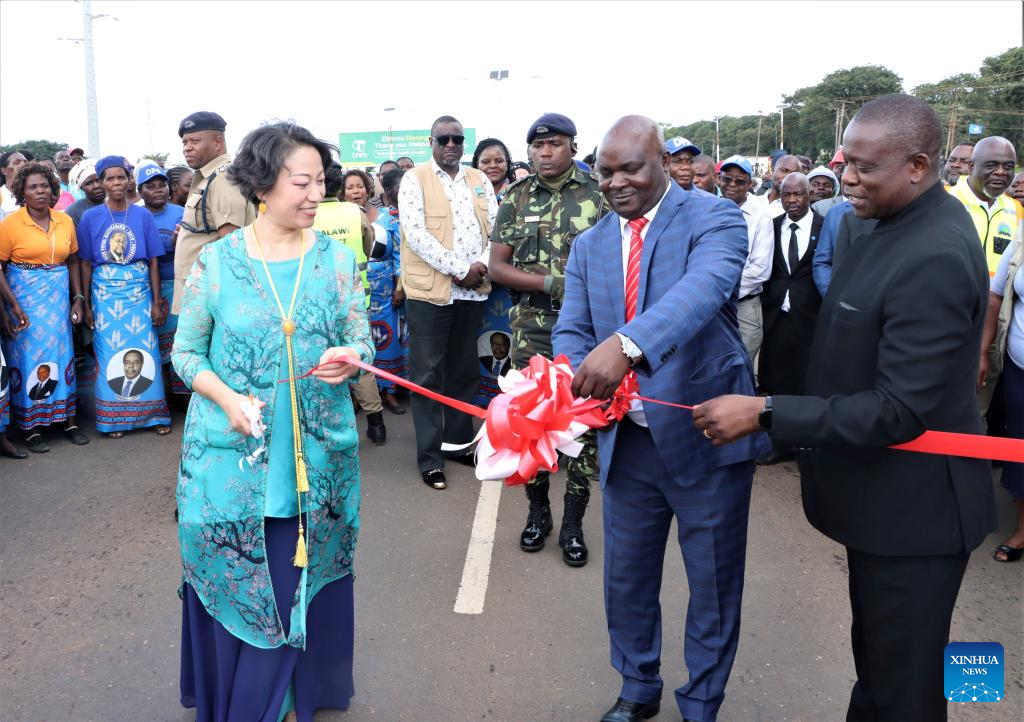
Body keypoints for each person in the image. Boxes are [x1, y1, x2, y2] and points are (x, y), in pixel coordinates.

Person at [694, 94, 995, 722]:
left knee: (905, 689)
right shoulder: (887, 222)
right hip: (885, 507)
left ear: (918, 165)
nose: (846, 179)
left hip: (916, 518)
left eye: (862, 167)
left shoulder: (934, 252)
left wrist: (767, 410)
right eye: (844, 162)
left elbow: (896, 411)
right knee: (881, 669)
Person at [553, 116, 766, 722]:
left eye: (631, 169)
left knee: (714, 586)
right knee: (627, 580)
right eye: (606, 172)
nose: (617, 182)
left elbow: (703, 290)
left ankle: (701, 703)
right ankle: (637, 686)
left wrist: (626, 345)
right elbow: (572, 326)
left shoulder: (714, 217)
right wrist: (574, 376)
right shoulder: (590, 244)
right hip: (628, 443)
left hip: (706, 436)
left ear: (662, 161)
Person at [173, 121, 370, 721]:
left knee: (299, 576)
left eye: (321, 182)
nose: (317, 195)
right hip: (231, 462)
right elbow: (186, 353)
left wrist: (351, 360)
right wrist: (226, 398)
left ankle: (293, 696)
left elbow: (358, 338)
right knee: (242, 579)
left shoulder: (336, 260)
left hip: (318, 457)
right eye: (302, 183)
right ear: (262, 185)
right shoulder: (217, 262)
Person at [489, 112, 606, 566]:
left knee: (583, 424)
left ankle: (574, 522)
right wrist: (551, 284)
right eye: (538, 146)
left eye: (554, 144)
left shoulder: (599, 194)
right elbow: (498, 267)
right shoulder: (516, 198)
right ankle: (539, 513)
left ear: (573, 147)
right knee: (528, 423)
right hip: (532, 328)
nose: (544, 152)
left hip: (588, 330)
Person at [397, 115, 497, 491]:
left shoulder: (479, 180)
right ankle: (430, 457)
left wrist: (483, 264)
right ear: (432, 142)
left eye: (457, 139)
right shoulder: (415, 179)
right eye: (444, 139)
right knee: (427, 376)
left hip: (472, 290)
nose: (451, 145)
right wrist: (459, 269)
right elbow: (416, 234)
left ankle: (457, 444)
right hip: (431, 294)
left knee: (463, 371)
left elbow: (498, 226)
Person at [77, 155, 171, 438]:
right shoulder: (90, 217)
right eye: (109, 178)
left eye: (121, 177)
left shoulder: (142, 215)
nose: (116, 183)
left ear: (129, 180)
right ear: (101, 182)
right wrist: (87, 302)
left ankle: (154, 415)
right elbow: (83, 263)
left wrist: (155, 301)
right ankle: (114, 419)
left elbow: (154, 260)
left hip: (139, 293)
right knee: (109, 356)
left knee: (147, 352)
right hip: (104, 295)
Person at [0, 162, 90, 451]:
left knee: (63, 357)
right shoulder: (10, 225)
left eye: (45, 186)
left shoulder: (65, 221)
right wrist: (12, 306)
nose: (40, 191)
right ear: (21, 192)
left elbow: (73, 260)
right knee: (28, 361)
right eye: (33, 187)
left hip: (57, 302)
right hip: (24, 303)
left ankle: (69, 421)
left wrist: (78, 298)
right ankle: (32, 428)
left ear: (53, 190)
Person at [758, 173, 823, 464]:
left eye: (798, 194)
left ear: (809, 194)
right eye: (787, 195)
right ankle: (780, 444)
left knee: (809, 380)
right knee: (776, 381)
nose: (793, 200)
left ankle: (807, 444)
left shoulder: (825, 227)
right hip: (776, 317)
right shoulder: (771, 227)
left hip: (812, 317)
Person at [171, 111, 256, 314]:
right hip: (199, 287)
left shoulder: (222, 179)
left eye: (195, 141)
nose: (187, 148)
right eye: (185, 142)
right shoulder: (207, 177)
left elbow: (232, 242)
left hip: (212, 292)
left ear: (218, 142)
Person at [979, 229, 1024, 563]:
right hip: (1017, 370)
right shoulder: (1021, 240)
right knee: (1019, 445)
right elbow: (996, 298)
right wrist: (983, 352)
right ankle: (1023, 530)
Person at [339, 168, 389, 443]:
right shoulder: (355, 215)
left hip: (317, 303)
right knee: (359, 362)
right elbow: (370, 248)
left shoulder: (305, 214)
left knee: (325, 363)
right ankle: (376, 425)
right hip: (357, 299)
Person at [136, 162, 187, 401]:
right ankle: (162, 397)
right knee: (157, 344)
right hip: (147, 288)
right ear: (139, 191)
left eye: (162, 185)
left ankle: (182, 396)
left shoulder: (180, 212)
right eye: (151, 186)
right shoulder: (135, 215)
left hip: (177, 284)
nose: (158, 190)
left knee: (180, 342)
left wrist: (181, 243)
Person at [719, 155, 774, 362]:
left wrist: (721, 290)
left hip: (743, 305)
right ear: (719, 179)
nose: (732, 185)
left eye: (740, 181)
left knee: (742, 366)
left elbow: (760, 269)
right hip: (712, 305)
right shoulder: (709, 210)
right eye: (727, 179)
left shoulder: (761, 216)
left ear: (750, 184)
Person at [947, 135, 1022, 277]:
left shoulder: (1017, 210)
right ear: (971, 167)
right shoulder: (943, 202)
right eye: (991, 165)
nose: (1001, 172)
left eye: (1008, 166)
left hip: (998, 298)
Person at [370, 168, 409, 413]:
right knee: (385, 339)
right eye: (399, 187)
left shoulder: (411, 215)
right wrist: (397, 288)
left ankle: (397, 388)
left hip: (404, 287)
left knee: (402, 339)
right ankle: (385, 390)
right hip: (385, 290)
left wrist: (401, 287)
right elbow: (391, 255)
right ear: (390, 191)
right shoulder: (384, 217)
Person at [64, 160, 105, 226]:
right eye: (89, 183)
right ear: (81, 187)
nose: (96, 186)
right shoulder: (73, 211)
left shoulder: (118, 204)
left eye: (99, 180)